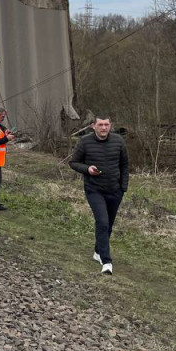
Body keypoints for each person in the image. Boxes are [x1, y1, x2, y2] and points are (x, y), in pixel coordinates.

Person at [69, 114, 128, 275]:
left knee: (108, 225)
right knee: (102, 222)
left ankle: (97, 251)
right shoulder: (85, 142)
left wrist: (123, 187)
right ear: (93, 126)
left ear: (110, 126)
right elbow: (73, 162)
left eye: (106, 125)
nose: (103, 128)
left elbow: (124, 165)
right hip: (94, 190)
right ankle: (106, 261)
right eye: (100, 125)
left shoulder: (118, 141)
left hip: (115, 190)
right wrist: (87, 169)